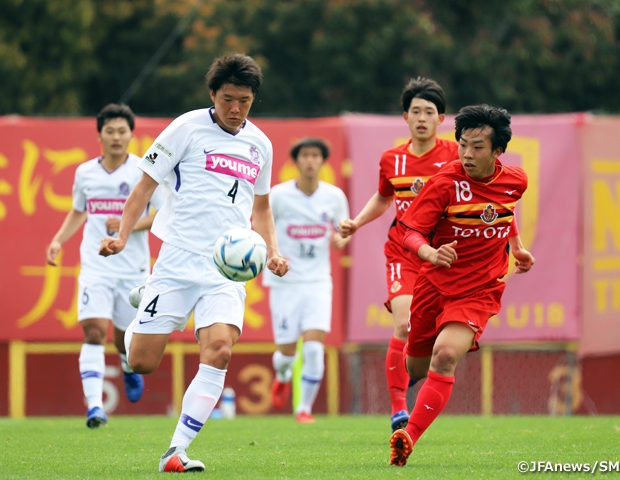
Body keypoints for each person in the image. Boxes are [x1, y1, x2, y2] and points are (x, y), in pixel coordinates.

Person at [99, 53, 288, 473]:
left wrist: (273, 251)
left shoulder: (261, 144)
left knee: (219, 351)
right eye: (227, 99)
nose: (235, 108)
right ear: (212, 95)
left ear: (254, 99)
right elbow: (144, 187)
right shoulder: (185, 128)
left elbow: (263, 208)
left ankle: (176, 450)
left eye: (244, 100)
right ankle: (144, 303)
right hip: (178, 260)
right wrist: (122, 235)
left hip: (226, 271)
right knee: (144, 361)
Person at [388, 104, 535, 467]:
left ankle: (408, 436)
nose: (467, 154)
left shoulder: (517, 180)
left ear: (498, 151)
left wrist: (516, 248)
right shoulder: (445, 182)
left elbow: (505, 209)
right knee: (418, 367)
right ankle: (405, 388)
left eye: (478, 147)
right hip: (434, 286)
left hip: (479, 290)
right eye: (463, 145)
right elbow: (409, 230)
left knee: (447, 354)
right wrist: (429, 252)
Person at [338, 78, 460, 431]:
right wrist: (356, 223)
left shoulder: (455, 155)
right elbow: (383, 197)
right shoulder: (393, 159)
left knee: (432, 339)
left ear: (441, 119)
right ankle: (397, 409)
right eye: (416, 111)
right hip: (403, 251)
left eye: (430, 112)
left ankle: (407, 380)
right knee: (404, 323)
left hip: (441, 254)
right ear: (405, 117)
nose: (422, 118)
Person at [45, 103, 165, 428]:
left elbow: (161, 214)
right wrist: (58, 240)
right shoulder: (85, 173)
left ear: (130, 135)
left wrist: (128, 223)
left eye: (121, 131)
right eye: (109, 131)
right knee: (95, 332)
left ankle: (127, 366)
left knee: (124, 340)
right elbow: (77, 211)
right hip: (96, 267)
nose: (116, 136)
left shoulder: (144, 172)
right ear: (100, 134)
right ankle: (95, 407)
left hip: (132, 270)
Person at [265, 138, 350, 423]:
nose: (311, 160)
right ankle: (282, 374)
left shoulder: (334, 196)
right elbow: (263, 225)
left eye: (316, 155)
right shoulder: (278, 195)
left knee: (314, 347)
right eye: (305, 155)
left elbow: (343, 229)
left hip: (317, 282)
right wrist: (272, 254)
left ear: (323, 161)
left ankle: (304, 409)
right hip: (285, 282)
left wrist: (340, 237)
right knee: (287, 353)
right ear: (296, 161)